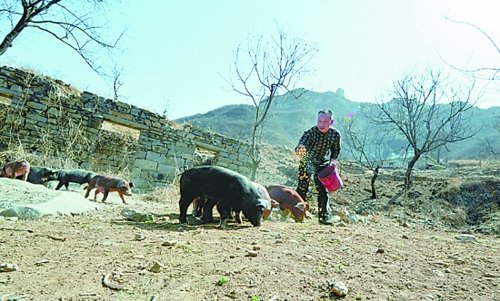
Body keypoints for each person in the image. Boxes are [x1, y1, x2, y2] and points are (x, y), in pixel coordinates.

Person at [295, 109, 341, 225]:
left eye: (325, 121)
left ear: (331, 122)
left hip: (322, 163)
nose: (321, 124)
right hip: (306, 162)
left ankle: (324, 216)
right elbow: (301, 146)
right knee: (302, 188)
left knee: (322, 190)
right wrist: (301, 150)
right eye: (319, 121)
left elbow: (336, 150)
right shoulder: (310, 133)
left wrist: (333, 161)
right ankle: (297, 214)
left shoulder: (335, 135)